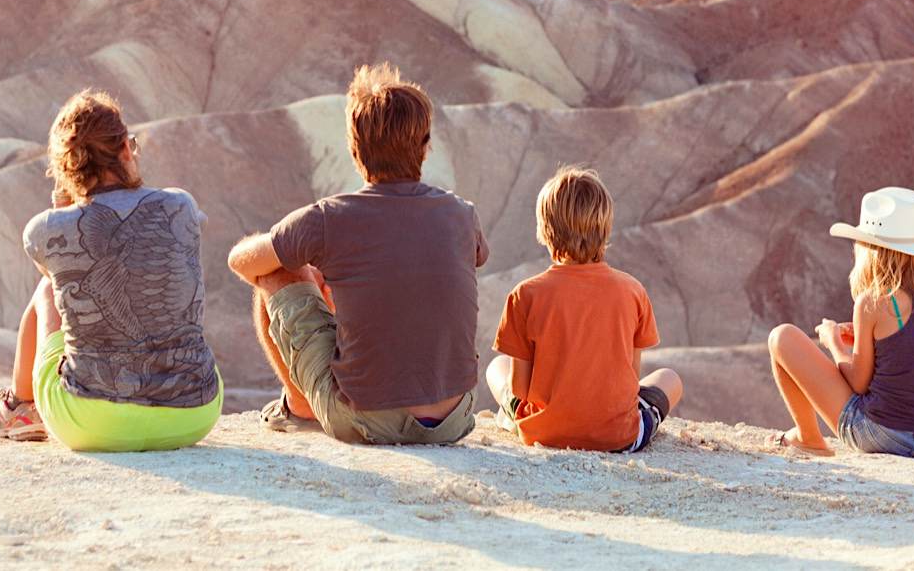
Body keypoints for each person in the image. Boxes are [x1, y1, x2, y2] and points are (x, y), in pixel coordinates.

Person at [226, 62, 488, 445]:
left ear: (353, 148)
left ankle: (300, 408)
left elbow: (241, 262)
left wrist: (300, 261)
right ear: (425, 145)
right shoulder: (462, 214)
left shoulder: (330, 218)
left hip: (366, 421)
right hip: (455, 417)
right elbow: (469, 258)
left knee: (277, 274)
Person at [0, 89, 222, 451]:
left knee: (48, 292)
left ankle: (19, 407)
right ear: (125, 148)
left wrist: (68, 204)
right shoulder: (181, 204)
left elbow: (56, 280)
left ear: (66, 169)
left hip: (91, 424)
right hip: (194, 415)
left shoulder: (43, 229)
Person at [768, 186, 914, 458]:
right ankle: (807, 437)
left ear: (871, 250)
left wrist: (833, 341)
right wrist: (889, 354)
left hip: (883, 436)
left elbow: (858, 383)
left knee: (782, 337)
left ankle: (807, 437)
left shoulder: (876, 302)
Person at [485, 166, 682, 452]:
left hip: (544, 433)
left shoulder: (524, 295)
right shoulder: (633, 291)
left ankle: (513, 421)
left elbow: (520, 390)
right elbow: (631, 379)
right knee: (669, 379)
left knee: (496, 368)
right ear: (605, 227)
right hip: (619, 438)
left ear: (544, 230)